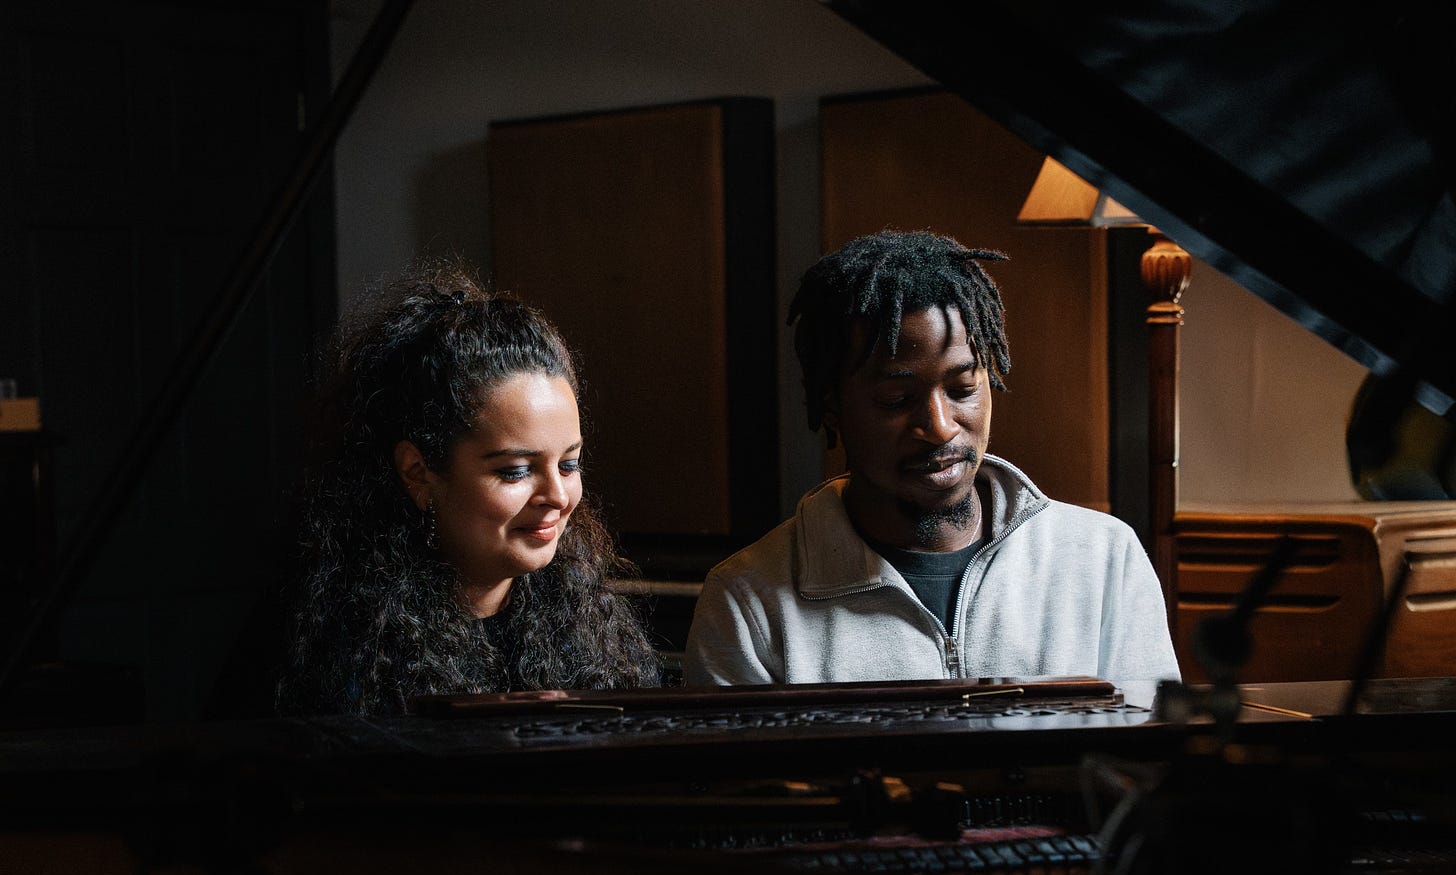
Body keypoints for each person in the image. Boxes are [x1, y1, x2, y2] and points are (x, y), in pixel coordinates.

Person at [684, 230, 1179, 686]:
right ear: (832, 406)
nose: (940, 427)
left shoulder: (1102, 559)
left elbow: (1151, 748)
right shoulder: (747, 603)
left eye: (962, 389)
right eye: (896, 401)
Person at [277, 265, 660, 716]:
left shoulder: (583, 622)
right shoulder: (336, 650)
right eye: (516, 471)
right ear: (418, 472)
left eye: (569, 464)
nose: (558, 496)